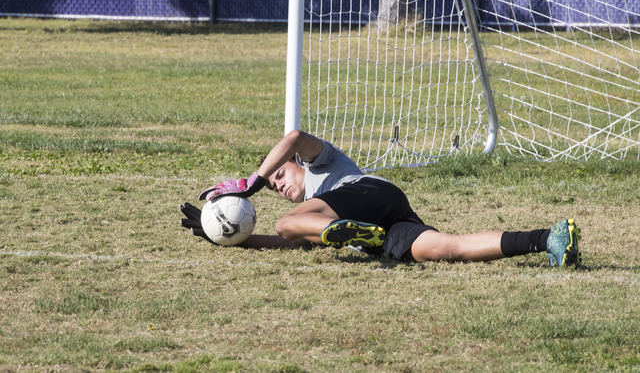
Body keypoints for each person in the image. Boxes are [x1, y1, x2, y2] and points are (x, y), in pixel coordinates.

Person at [180, 130, 581, 267]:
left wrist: (253, 181)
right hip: (381, 221)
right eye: (273, 187)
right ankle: (548, 239)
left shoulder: (323, 163)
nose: (278, 184)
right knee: (444, 248)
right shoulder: (311, 214)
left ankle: (346, 233)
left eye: (281, 174)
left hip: (369, 193)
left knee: (287, 224)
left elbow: (292, 138)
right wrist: (227, 234)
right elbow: (282, 244)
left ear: (296, 163)